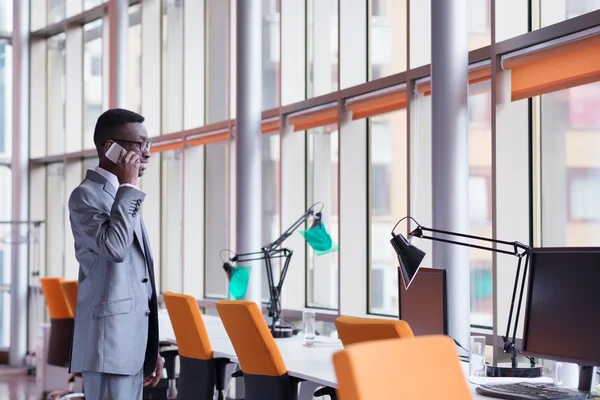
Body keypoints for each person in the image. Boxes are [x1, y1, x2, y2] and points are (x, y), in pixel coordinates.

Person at [68, 108, 163, 399]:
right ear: (110, 147)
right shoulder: (86, 196)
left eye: (148, 144)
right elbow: (115, 249)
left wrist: (150, 348)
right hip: (109, 346)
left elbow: (139, 280)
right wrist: (127, 186)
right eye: (138, 145)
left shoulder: (123, 196)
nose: (146, 153)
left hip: (131, 346)